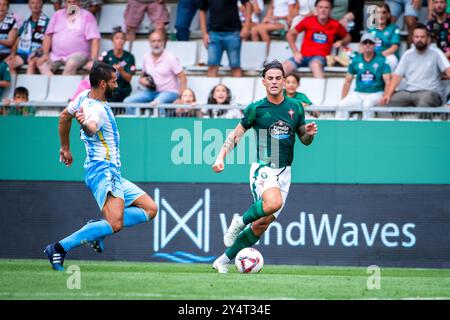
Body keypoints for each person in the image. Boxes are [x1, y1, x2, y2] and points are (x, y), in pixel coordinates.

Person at [44, 61, 158, 271]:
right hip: (103, 170)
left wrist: (65, 148)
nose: (118, 85)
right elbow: (91, 127)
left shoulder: (83, 97)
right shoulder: (98, 110)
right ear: (103, 84)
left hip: (110, 171)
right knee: (114, 223)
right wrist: (85, 125)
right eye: (114, 82)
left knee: (150, 208)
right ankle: (59, 247)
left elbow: (63, 117)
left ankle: (95, 230)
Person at [211, 60, 317, 273]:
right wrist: (221, 156)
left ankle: (222, 260)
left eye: (279, 78)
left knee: (261, 224)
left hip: (285, 172)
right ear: (263, 82)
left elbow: (304, 139)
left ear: (285, 81)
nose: (275, 81)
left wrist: (309, 134)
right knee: (273, 202)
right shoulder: (256, 108)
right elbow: (236, 135)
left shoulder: (295, 107)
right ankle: (239, 221)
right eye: (270, 78)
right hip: (263, 167)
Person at [381, 24, 450, 108]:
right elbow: (397, 77)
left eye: (422, 37)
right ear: (412, 38)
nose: (419, 39)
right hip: (409, 92)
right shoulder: (407, 54)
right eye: (416, 37)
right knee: (384, 104)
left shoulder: (436, 53)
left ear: (428, 39)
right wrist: (388, 95)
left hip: (429, 93)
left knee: (424, 103)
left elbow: (448, 71)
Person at [123, 30, 186, 116]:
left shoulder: (171, 57)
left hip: (169, 92)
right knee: (128, 102)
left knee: (158, 102)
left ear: (163, 42)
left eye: (159, 41)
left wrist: (180, 97)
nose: (156, 43)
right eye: (153, 41)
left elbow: (183, 78)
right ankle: (135, 126)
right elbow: (141, 77)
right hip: (151, 91)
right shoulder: (146, 56)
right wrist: (142, 81)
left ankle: (160, 127)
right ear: (149, 43)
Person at [283, 0, 351, 78]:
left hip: (319, 58)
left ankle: (318, 89)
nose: (323, 10)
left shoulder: (335, 24)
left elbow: (348, 37)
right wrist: (295, 52)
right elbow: (290, 34)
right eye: (320, 7)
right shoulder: (308, 20)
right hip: (302, 56)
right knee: (283, 67)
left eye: (326, 7)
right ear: (316, 9)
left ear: (330, 10)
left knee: (315, 65)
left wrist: (342, 42)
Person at [37, 0, 100, 76]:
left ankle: (64, 87)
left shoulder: (87, 16)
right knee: (41, 63)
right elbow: (48, 36)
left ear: (79, 2)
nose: (72, 4)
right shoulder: (57, 15)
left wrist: (92, 60)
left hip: (78, 54)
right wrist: (45, 54)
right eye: (69, 2)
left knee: (71, 64)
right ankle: (53, 84)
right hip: (56, 55)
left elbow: (95, 39)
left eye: (74, 2)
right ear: (65, 3)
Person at [337, 33, 391, 119]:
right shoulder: (356, 60)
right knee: (342, 105)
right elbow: (347, 81)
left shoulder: (382, 60)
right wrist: (343, 98)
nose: (368, 45)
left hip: (376, 93)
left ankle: (368, 130)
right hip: (358, 93)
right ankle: (341, 130)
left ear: (374, 45)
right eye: (365, 42)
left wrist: (385, 96)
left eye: (370, 42)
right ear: (361, 45)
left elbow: (388, 81)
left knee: (367, 104)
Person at [198, 0, 252, 77]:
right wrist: (204, 34)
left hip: (233, 33)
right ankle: (212, 89)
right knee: (212, 66)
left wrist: (247, 26)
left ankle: (238, 89)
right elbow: (202, 10)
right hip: (213, 34)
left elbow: (248, 4)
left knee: (235, 66)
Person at [5, 0, 50, 75]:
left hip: (37, 54)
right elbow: (17, 39)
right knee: (6, 65)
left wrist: (36, 52)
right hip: (23, 54)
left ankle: (28, 86)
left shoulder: (47, 22)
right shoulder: (26, 23)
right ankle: (17, 87)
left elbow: (49, 42)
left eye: (38, 2)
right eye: (32, 3)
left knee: (31, 63)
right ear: (29, 5)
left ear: (42, 5)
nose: (35, 5)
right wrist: (12, 54)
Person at [99, 27, 136, 102]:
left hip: (122, 90)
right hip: (107, 89)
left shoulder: (129, 57)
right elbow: (99, 75)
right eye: (117, 38)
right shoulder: (105, 55)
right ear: (112, 41)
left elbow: (129, 79)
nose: (119, 41)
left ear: (125, 41)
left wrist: (121, 70)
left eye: (122, 38)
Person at [368, 3, 401, 71]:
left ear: (388, 15)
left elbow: (394, 47)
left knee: (390, 60)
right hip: (373, 56)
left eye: (384, 12)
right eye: (378, 13)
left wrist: (379, 55)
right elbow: (365, 45)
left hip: (388, 56)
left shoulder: (394, 28)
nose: (381, 15)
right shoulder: (371, 30)